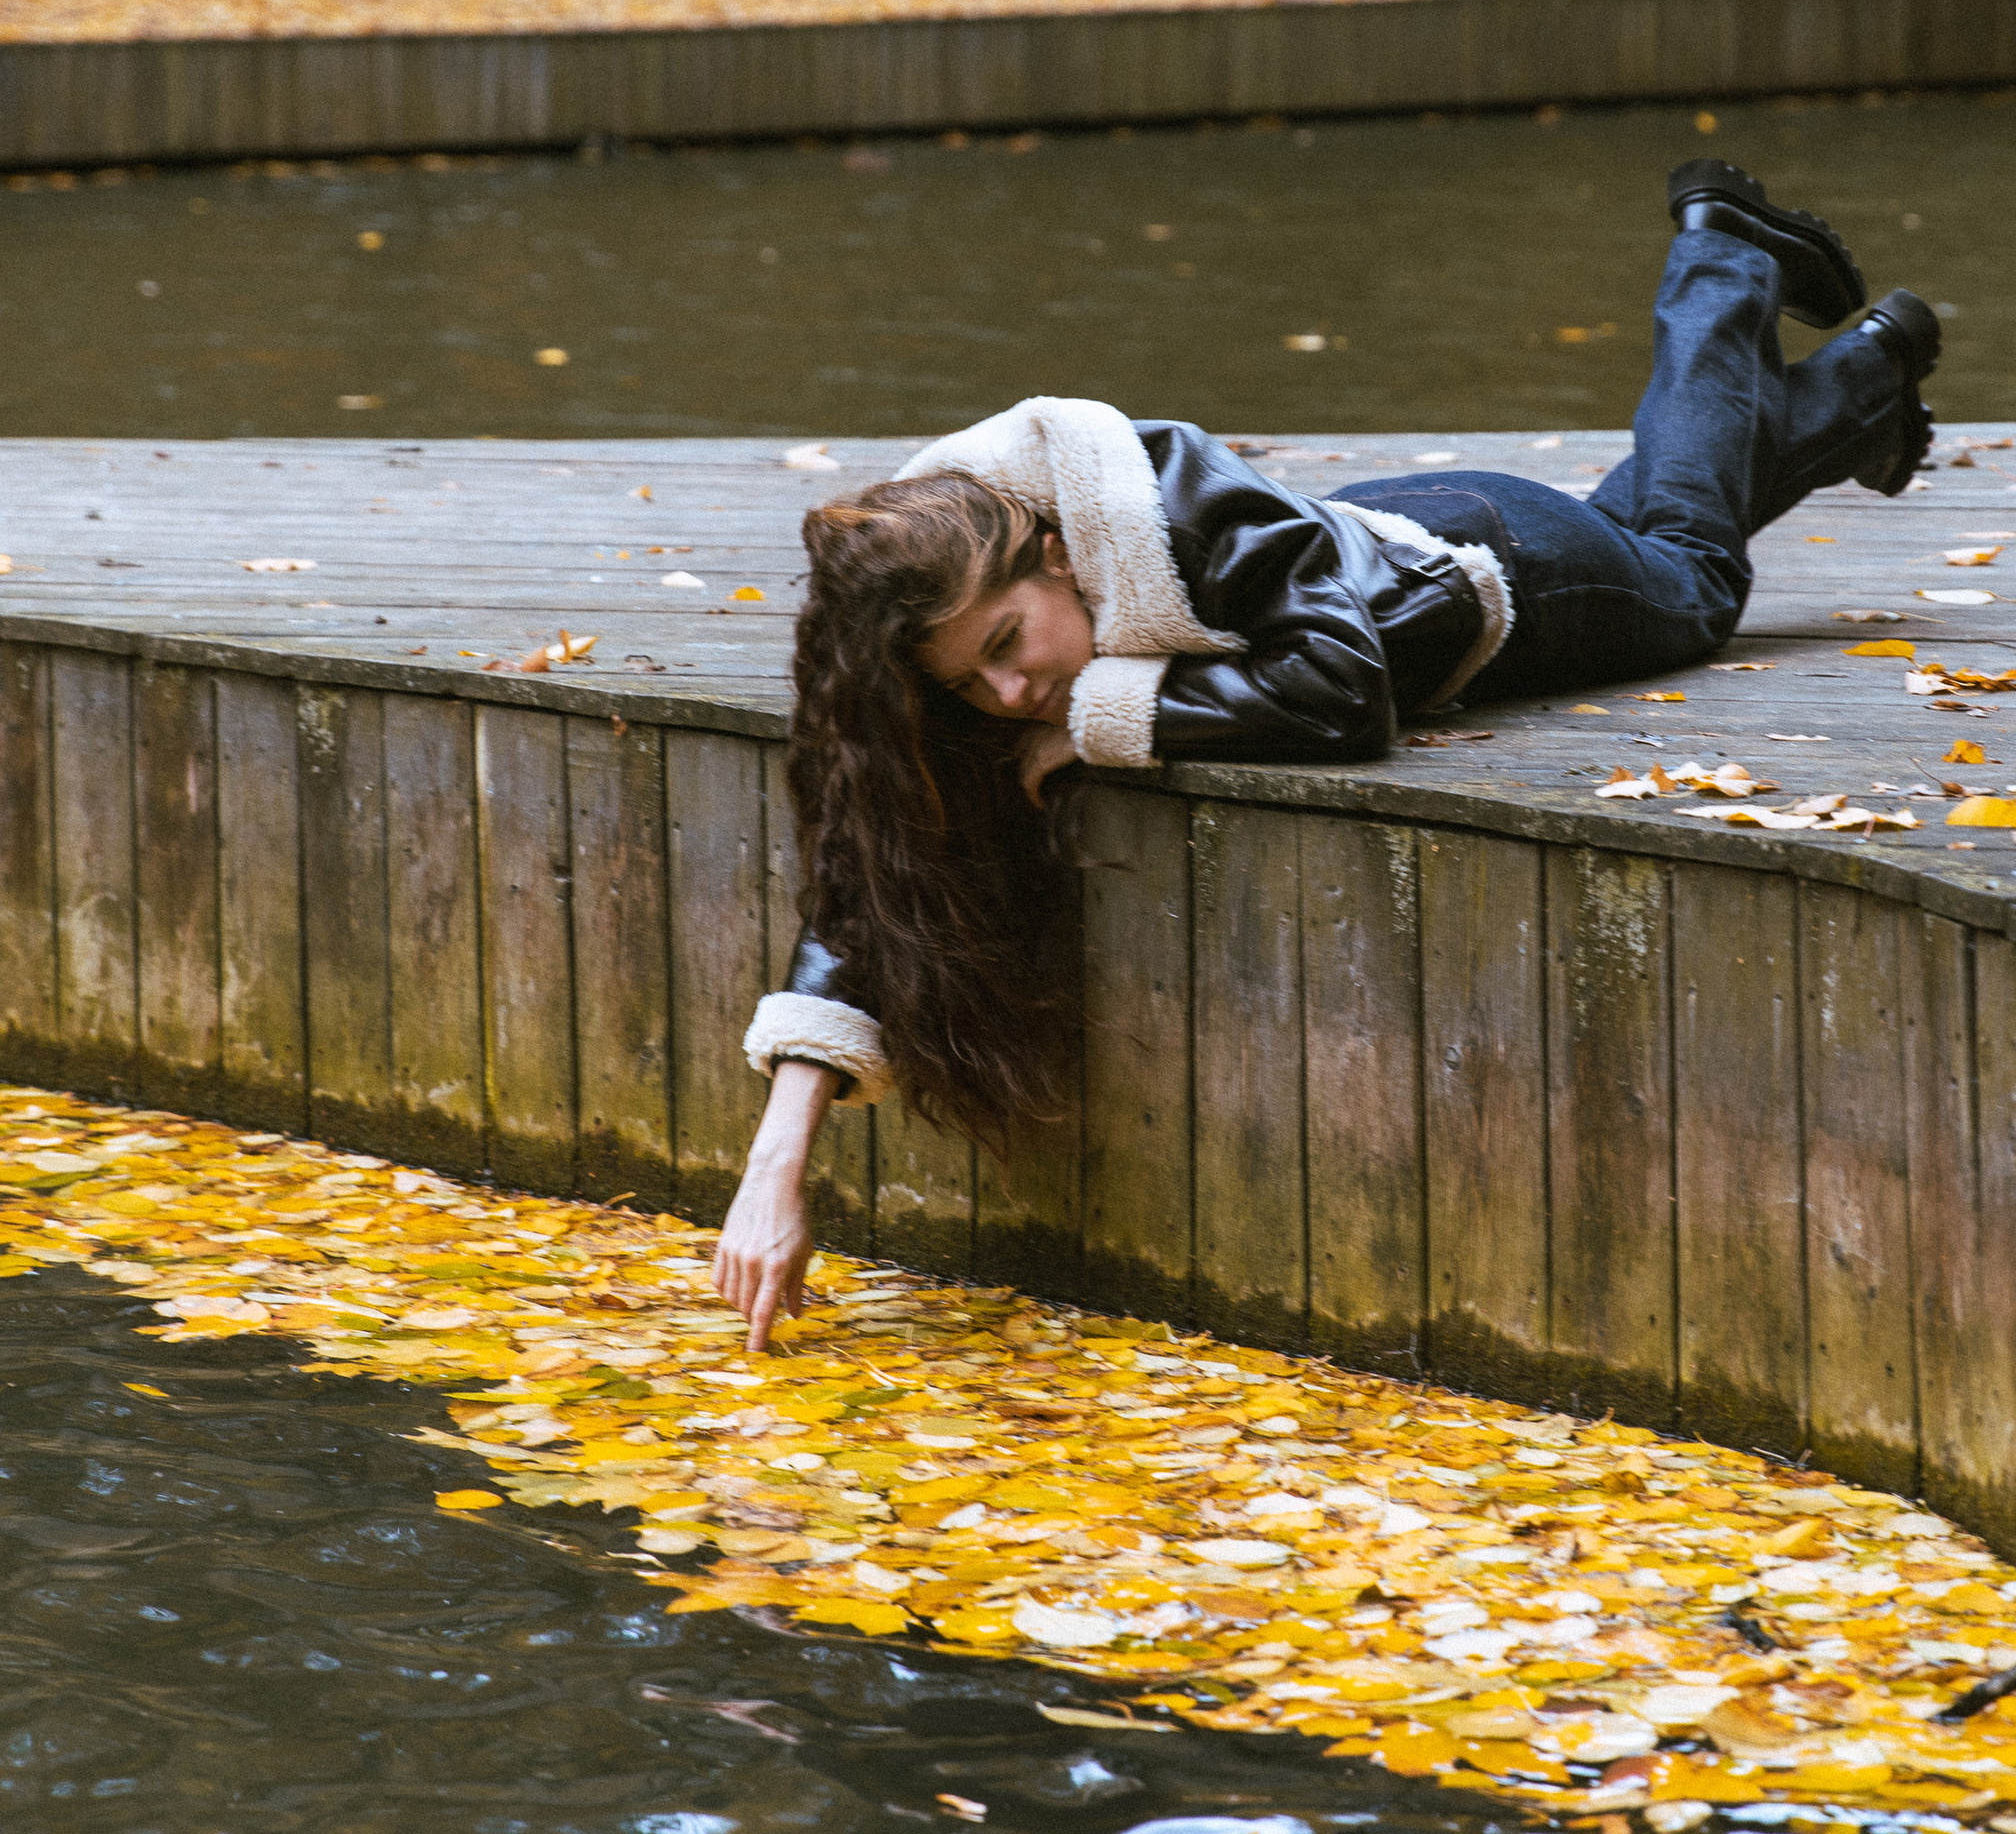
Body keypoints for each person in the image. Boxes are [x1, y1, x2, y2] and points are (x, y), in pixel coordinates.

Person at [710, 157, 1936, 1344]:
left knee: (1688, 566)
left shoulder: (1169, 500)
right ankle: (1864, 384)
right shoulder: (980, 594)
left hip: (1499, 574)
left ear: (1050, 555)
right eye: (969, 680)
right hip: (1404, 526)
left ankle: (1724, 258)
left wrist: (1095, 722)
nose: (1008, 687)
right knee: (1656, 513)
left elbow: (1344, 691)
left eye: (1010, 644)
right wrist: (778, 1162)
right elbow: (869, 882)